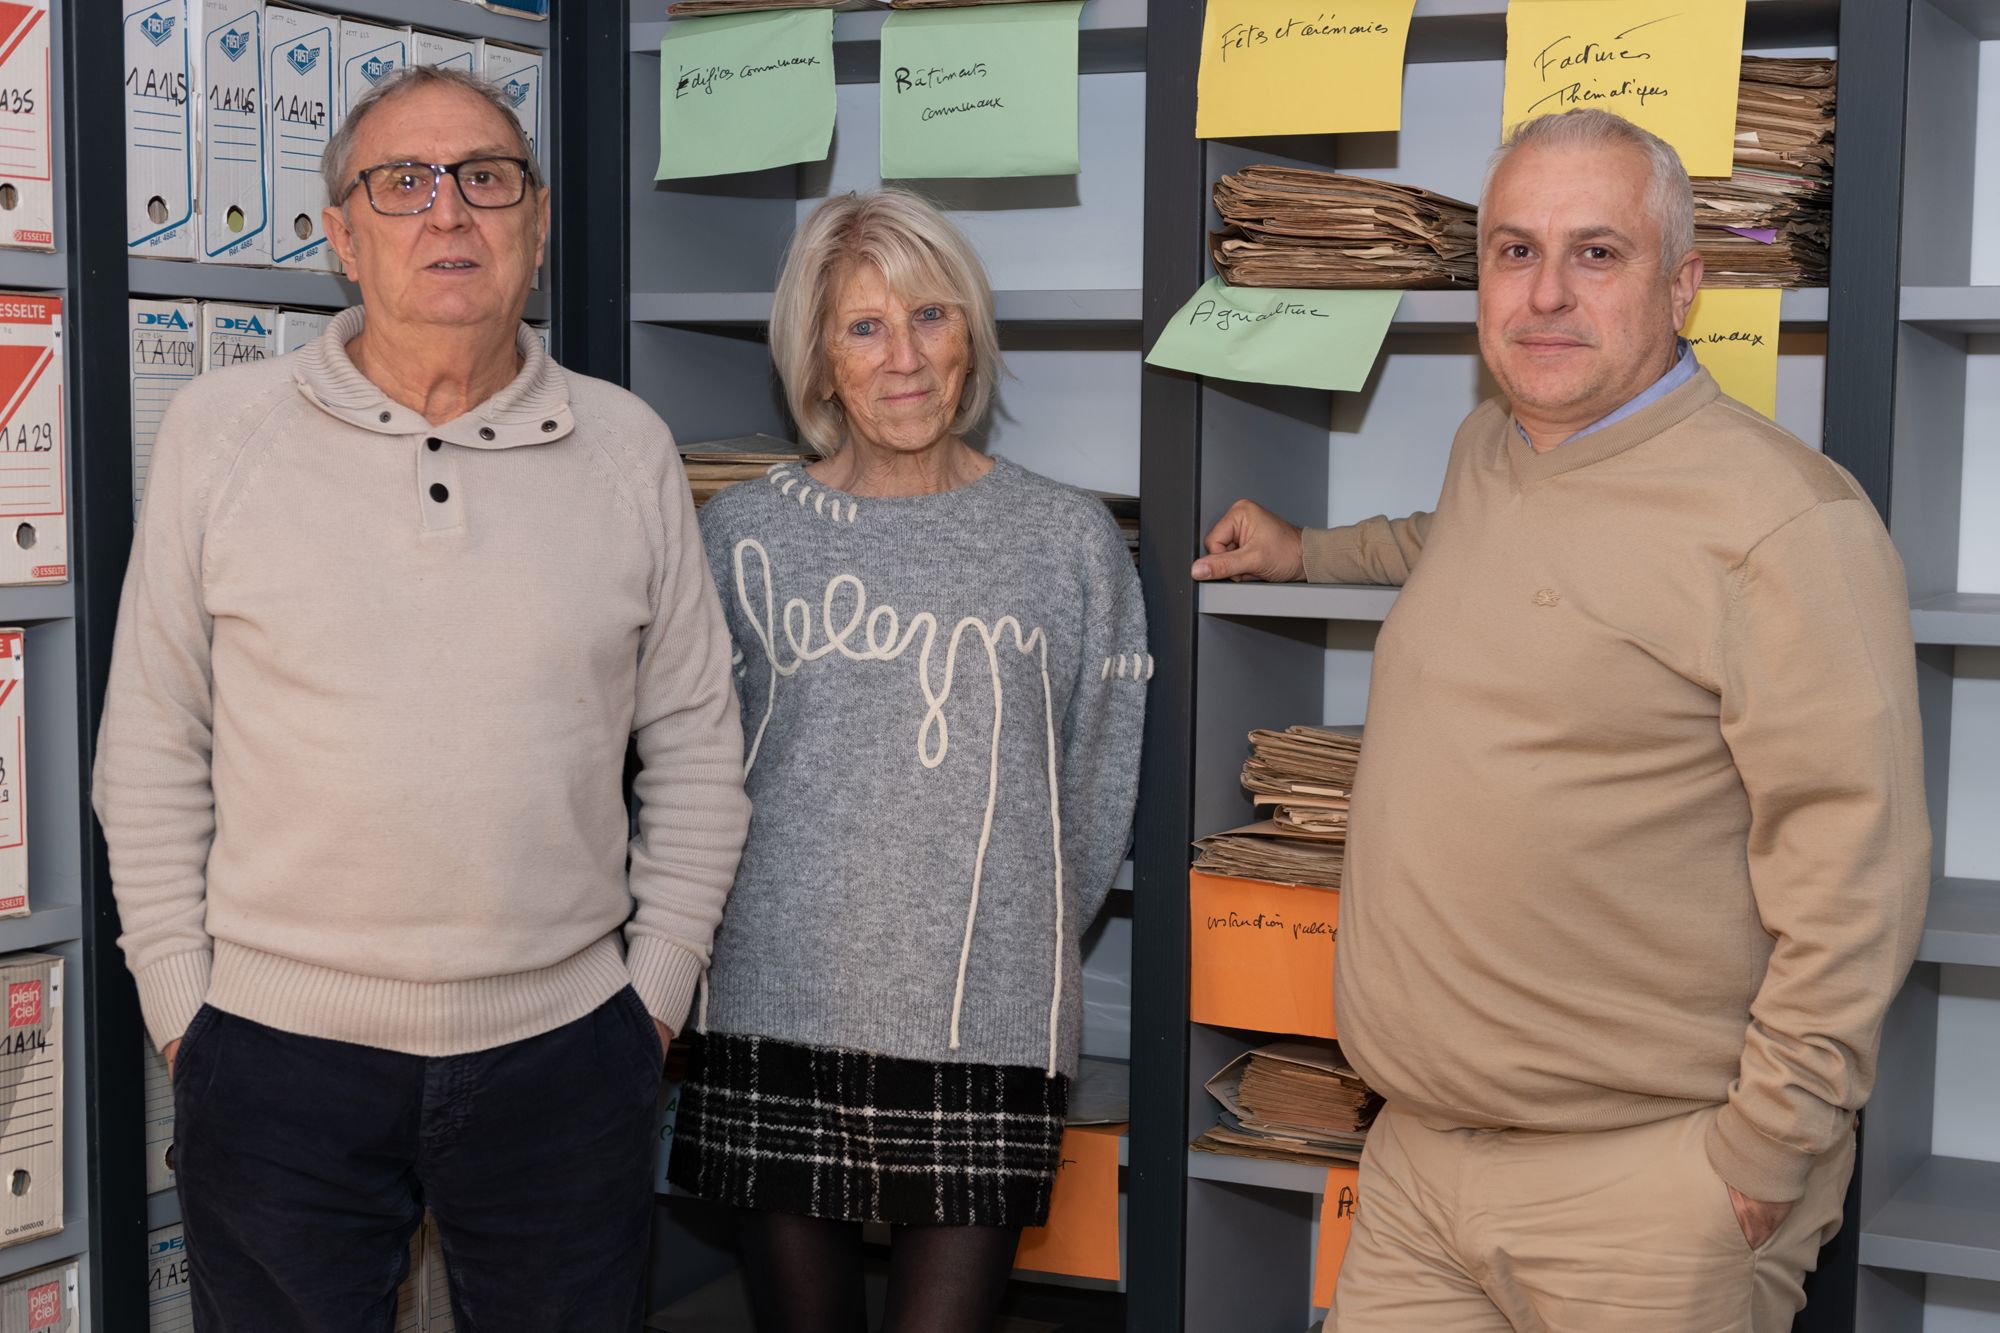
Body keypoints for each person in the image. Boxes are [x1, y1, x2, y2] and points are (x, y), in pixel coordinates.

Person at [1193, 109, 1928, 1332]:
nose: (1543, 293)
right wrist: (1304, 550)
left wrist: (1762, 1151)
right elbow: (1459, 545)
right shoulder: (1493, 443)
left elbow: (1859, 870)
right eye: (1512, 251)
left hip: (1645, 1191)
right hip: (1416, 1161)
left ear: (1681, 284)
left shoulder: (1786, 522)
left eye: (1595, 252)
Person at [93, 66, 750, 1332]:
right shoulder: (220, 434)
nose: (448, 211)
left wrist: (653, 1001)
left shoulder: (627, 447)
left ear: (536, 224)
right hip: (275, 1062)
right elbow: (151, 747)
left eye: (485, 178)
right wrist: (185, 1015)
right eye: (402, 182)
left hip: (568, 1056)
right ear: (341, 237)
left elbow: (694, 753)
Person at [667, 189, 1147, 1333]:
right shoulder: (740, 536)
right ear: (817, 359)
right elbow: (688, 778)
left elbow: (1091, 795)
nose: (904, 358)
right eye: (864, 327)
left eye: (930, 316)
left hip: (985, 1019)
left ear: (969, 331)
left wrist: (1002, 934)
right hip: (772, 1004)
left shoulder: (1069, 543)